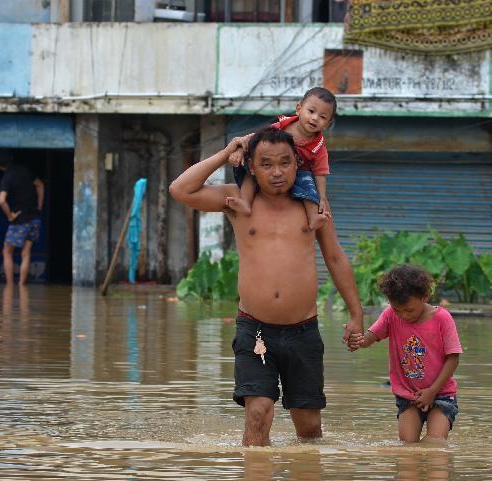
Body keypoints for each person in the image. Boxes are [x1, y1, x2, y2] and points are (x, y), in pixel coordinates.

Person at [169, 127, 364, 447]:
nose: (277, 172)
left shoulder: (312, 205)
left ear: (297, 165)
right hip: (255, 330)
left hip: (303, 331)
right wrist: (226, 150)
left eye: (285, 163)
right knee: (258, 414)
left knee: (309, 428)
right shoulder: (236, 200)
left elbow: (335, 258)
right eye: (267, 164)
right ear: (252, 167)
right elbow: (181, 189)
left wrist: (356, 314)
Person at [349, 265, 462, 444]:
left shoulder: (442, 318)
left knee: (435, 442)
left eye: (409, 310)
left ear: (424, 297)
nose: (403, 316)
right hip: (408, 396)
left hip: (441, 394)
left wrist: (432, 391)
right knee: (408, 445)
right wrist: (357, 339)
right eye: (397, 310)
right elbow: (369, 338)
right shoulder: (390, 316)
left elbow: (453, 358)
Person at [225, 87, 336, 231]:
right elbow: (256, 138)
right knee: (250, 171)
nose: (315, 118)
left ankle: (313, 217)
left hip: (299, 173)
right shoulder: (282, 125)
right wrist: (239, 150)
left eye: (322, 117)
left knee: (309, 185)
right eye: (311, 111)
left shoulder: (319, 146)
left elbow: (320, 173)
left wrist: (322, 197)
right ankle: (245, 202)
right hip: (271, 167)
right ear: (299, 109)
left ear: (327, 123)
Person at [0, 150, 44, 285]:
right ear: (11, 159)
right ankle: (22, 286)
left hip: (20, 220)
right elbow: (40, 185)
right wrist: (39, 207)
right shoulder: (25, 170)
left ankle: (9, 286)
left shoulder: (7, 177)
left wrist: (10, 215)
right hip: (35, 219)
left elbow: (2, 200)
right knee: (26, 253)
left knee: (7, 251)